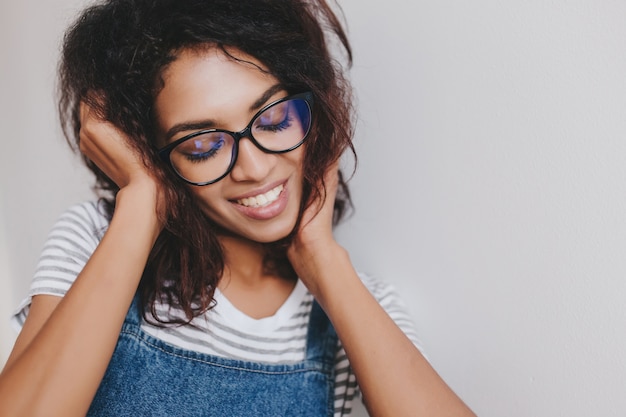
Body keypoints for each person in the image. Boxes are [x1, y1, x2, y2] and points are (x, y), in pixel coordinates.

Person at [0, 0, 476, 415]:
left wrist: (323, 260)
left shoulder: (357, 307)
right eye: (203, 145)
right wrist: (143, 199)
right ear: (153, 152)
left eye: (273, 118)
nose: (253, 167)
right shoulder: (95, 241)